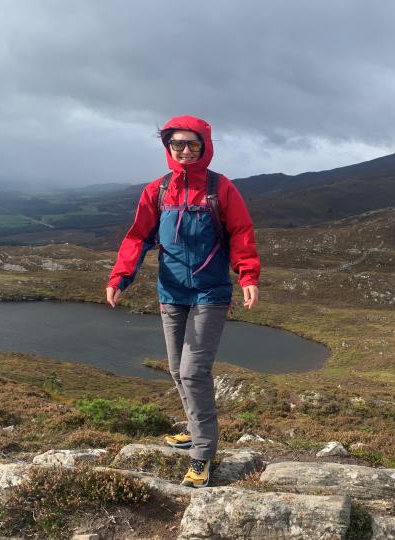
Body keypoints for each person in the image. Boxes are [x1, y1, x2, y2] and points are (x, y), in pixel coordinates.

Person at [106, 115, 261, 488]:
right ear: (168, 148)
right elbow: (138, 236)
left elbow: (241, 232)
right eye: (178, 144)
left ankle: (203, 454)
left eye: (193, 144)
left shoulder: (220, 188)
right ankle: (194, 429)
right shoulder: (157, 191)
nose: (185, 151)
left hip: (210, 293)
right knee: (176, 369)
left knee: (194, 372)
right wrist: (120, 276)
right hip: (171, 292)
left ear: (205, 146)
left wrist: (248, 275)